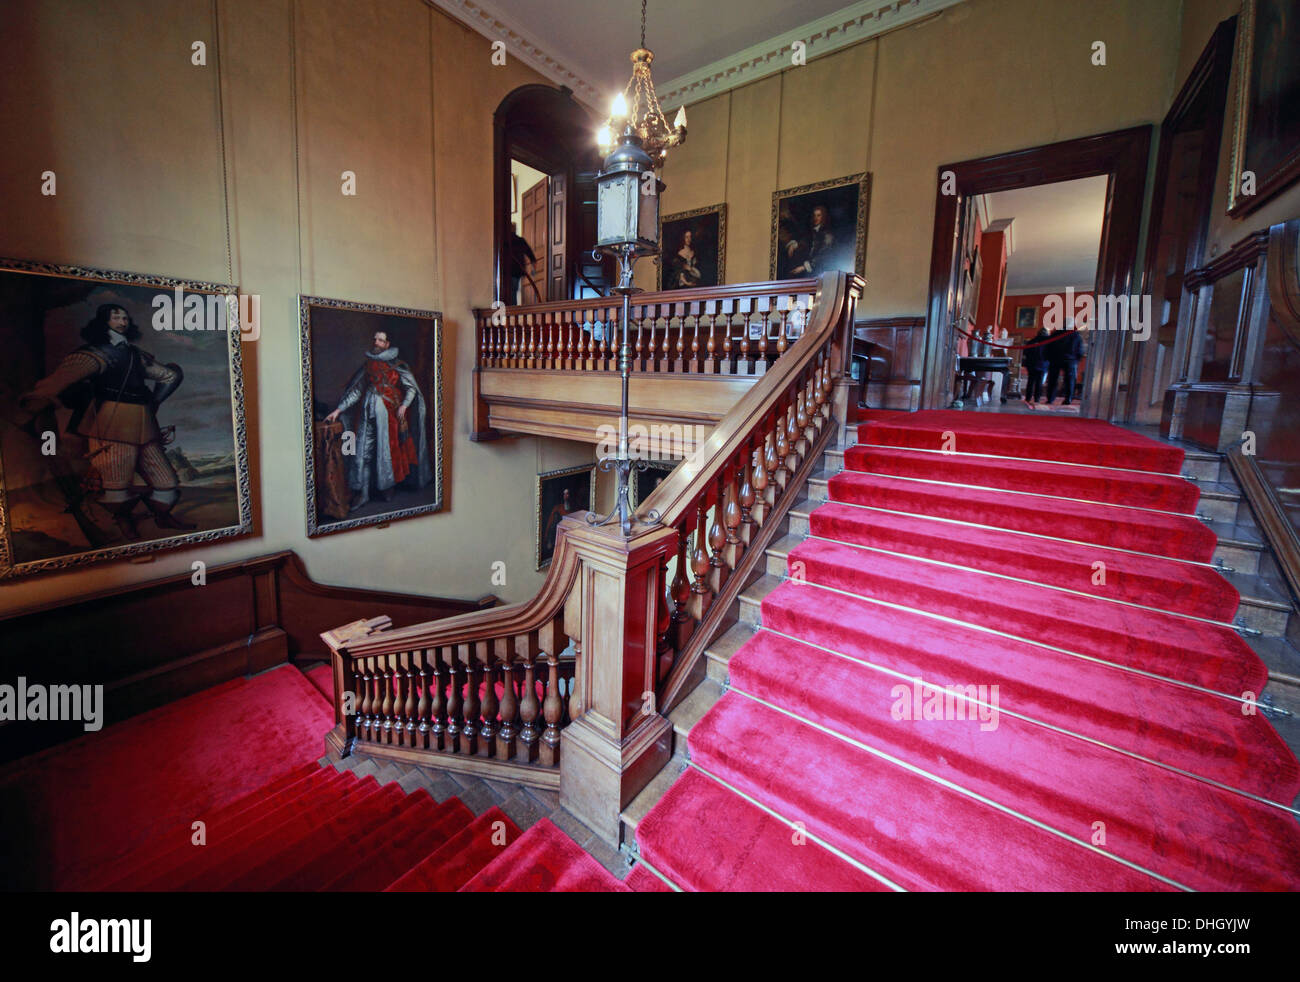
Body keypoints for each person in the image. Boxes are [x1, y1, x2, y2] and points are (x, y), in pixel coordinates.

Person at [18, 303, 193, 540]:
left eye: (125, 317)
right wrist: (35, 400)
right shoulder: (94, 354)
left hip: (144, 423)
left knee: (167, 482)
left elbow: (168, 376)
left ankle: (162, 518)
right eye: (116, 317)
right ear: (103, 322)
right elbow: (60, 379)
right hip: (111, 424)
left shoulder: (133, 354)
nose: (123, 321)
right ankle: (124, 522)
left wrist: (155, 402)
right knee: (116, 486)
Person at [325, 330, 433, 511]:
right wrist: (339, 410)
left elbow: (411, 389)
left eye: (380, 340)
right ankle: (364, 494)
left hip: (388, 415)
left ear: (387, 344)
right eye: (375, 339)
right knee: (362, 452)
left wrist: (404, 405)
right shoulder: (368, 365)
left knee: (386, 451)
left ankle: (387, 487)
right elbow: (356, 391)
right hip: (366, 413)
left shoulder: (398, 365)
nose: (376, 342)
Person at [1045, 316, 1085, 405]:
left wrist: (1049, 358)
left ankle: (1050, 398)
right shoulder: (1076, 335)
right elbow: (1080, 349)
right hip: (1070, 360)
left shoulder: (1055, 334)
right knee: (1069, 381)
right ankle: (1068, 398)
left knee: (1053, 380)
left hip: (1055, 359)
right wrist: (1077, 359)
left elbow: (1048, 347)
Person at [788, 204, 835, 276]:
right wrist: (795, 245)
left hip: (820, 271)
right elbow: (807, 240)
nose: (815, 218)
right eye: (814, 215)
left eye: (818, 215)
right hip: (809, 268)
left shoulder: (828, 235)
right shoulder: (814, 231)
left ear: (823, 217)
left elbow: (823, 255)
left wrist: (804, 267)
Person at [1022, 326, 1050, 407]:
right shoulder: (1048, 342)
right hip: (1043, 365)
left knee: (1030, 382)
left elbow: (1025, 352)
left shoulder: (1031, 341)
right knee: (1039, 383)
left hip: (1031, 364)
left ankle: (1028, 398)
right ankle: (1037, 399)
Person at [507, 230, 537, 304]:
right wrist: (533, 269)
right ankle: (513, 310)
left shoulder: (506, 240)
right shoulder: (520, 240)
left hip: (511, 270)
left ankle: (512, 310)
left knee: (511, 291)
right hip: (516, 270)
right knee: (513, 291)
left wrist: (533, 270)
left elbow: (531, 256)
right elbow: (531, 256)